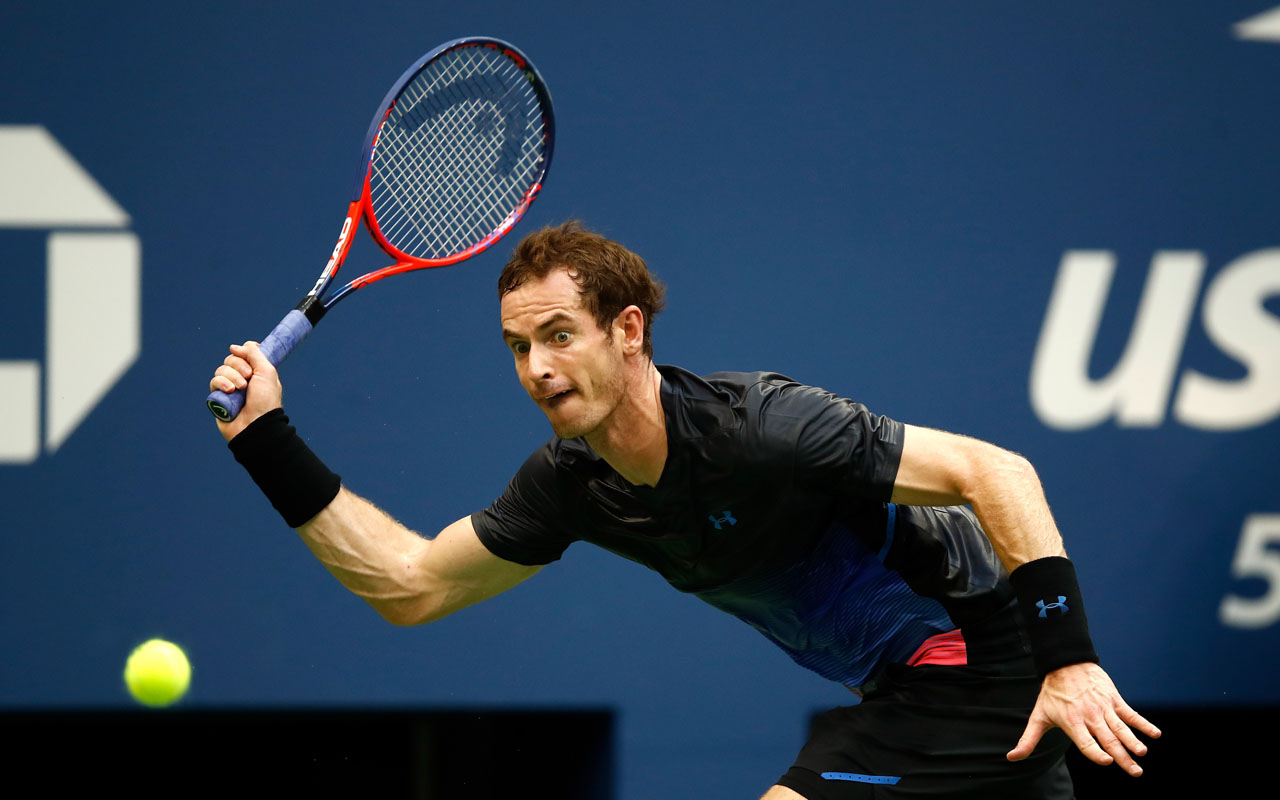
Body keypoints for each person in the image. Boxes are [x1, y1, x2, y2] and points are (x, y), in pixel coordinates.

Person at [210, 221, 1159, 798]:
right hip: (905, 696)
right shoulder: (570, 484)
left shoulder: (762, 429)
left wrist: (1069, 659)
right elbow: (410, 586)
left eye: (558, 336)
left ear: (628, 331)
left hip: (982, 667)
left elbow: (997, 473)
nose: (537, 368)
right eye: (517, 348)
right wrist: (265, 441)